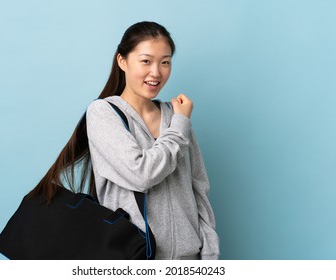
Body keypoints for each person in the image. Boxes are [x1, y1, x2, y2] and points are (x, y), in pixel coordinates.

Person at [30, 21, 219, 260]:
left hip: (189, 261)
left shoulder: (175, 116)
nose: (156, 73)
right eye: (146, 61)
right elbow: (141, 175)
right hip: (132, 258)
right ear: (122, 61)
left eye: (165, 62)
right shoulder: (103, 113)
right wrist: (180, 125)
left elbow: (198, 188)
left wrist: (210, 256)